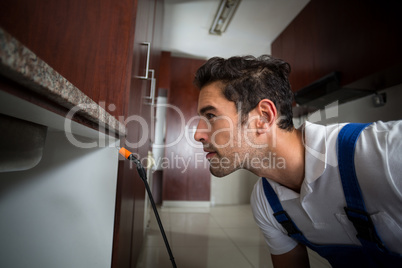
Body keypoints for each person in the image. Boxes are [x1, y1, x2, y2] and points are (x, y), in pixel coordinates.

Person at [193, 55, 402, 267]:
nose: (198, 134)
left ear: (263, 117)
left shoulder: (385, 152)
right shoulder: (266, 202)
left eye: (211, 116)